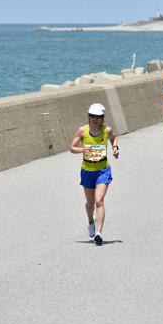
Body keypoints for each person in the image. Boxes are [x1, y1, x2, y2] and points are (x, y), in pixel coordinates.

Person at [70, 103, 119, 246]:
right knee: (90, 204)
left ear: (103, 118)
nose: (95, 119)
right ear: (88, 116)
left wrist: (115, 148)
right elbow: (72, 148)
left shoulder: (106, 130)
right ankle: (91, 222)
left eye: (98, 116)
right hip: (87, 171)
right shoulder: (82, 131)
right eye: (92, 116)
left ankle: (99, 233)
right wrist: (82, 150)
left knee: (99, 200)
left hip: (103, 170)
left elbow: (113, 138)